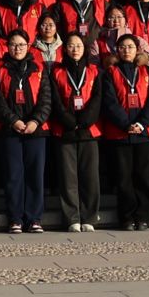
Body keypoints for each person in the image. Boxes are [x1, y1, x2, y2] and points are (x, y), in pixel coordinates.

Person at [0, 30, 51, 234]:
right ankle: (15, 218)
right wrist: (13, 121)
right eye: (13, 45)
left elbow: (46, 98)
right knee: (13, 175)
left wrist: (35, 121)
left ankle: (34, 218)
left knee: (35, 175)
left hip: (35, 130)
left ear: (28, 46)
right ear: (7, 47)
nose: (18, 49)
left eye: (22, 45)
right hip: (10, 130)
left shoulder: (38, 68)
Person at [99, 33, 149, 230]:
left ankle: (143, 217)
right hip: (119, 133)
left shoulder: (146, 71)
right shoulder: (110, 72)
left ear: (137, 50)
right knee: (123, 178)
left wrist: (141, 123)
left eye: (130, 47)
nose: (126, 50)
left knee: (143, 177)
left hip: (144, 134)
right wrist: (125, 124)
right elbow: (109, 102)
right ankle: (126, 217)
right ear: (117, 50)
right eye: (122, 47)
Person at [49, 32, 102, 231]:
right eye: (71, 45)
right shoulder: (57, 71)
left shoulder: (94, 71)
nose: (75, 49)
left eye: (79, 45)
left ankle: (89, 217)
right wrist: (70, 121)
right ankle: (72, 218)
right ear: (65, 49)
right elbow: (55, 100)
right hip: (65, 129)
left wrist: (85, 120)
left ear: (85, 48)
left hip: (89, 130)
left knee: (90, 176)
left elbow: (97, 98)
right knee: (68, 177)